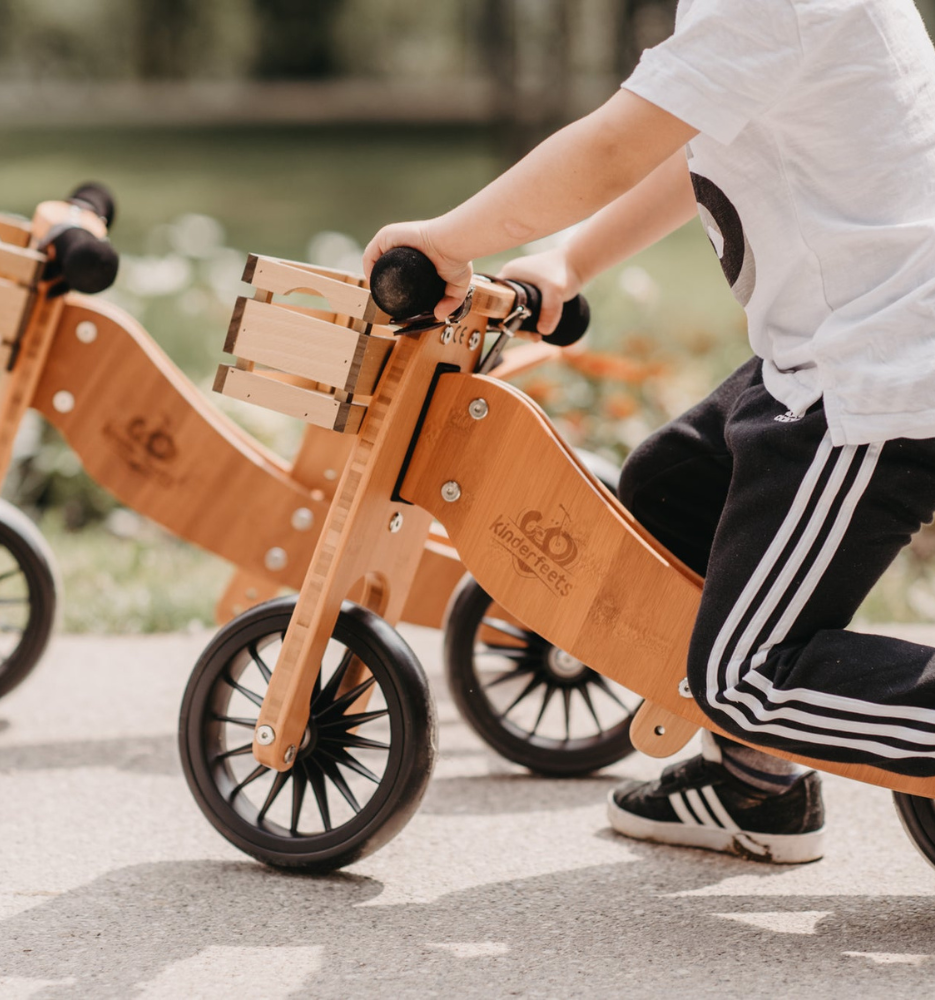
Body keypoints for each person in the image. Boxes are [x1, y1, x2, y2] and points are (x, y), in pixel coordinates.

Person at [364, 0, 935, 865]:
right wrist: (572, 260)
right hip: (827, 360)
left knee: (746, 678)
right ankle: (756, 789)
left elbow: (612, 149)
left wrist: (449, 239)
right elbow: (699, 138)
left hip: (873, 391)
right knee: (670, 495)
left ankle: (751, 740)